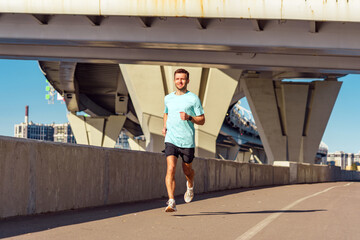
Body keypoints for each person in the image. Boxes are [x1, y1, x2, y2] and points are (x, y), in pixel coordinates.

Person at [162, 68, 205, 212]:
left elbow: (202, 120)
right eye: (177, 79)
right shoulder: (168, 98)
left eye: (183, 79)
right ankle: (171, 201)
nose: (180, 81)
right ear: (174, 80)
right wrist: (164, 127)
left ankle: (190, 184)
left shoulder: (193, 98)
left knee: (187, 171)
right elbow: (166, 113)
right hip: (171, 139)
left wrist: (190, 117)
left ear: (187, 81)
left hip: (187, 141)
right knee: (171, 168)